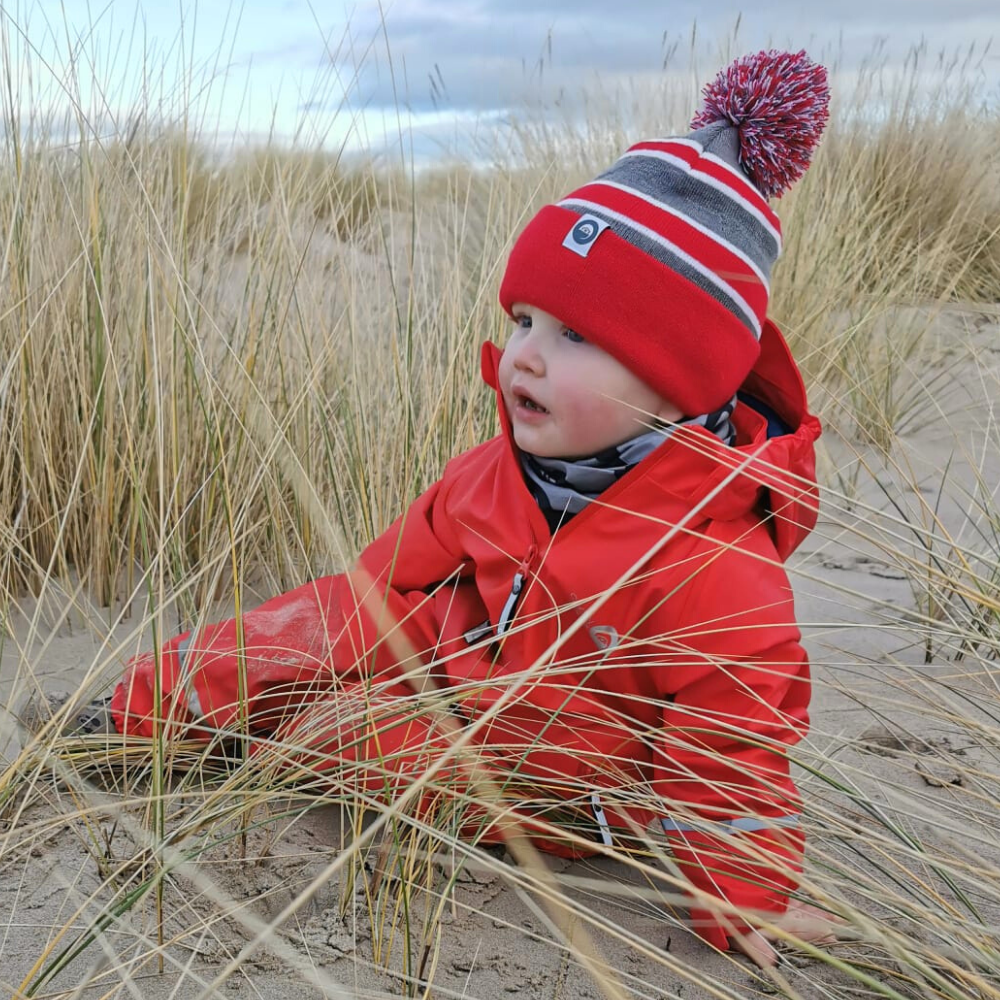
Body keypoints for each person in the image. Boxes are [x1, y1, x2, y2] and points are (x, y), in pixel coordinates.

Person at [23, 50, 843, 966]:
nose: (525, 355)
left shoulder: (715, 564)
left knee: (341, 736)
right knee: (314, 632)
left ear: (678, 381)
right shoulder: (495, 474)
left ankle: (266, 744)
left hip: (567, 770)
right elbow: (375, 590)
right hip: (470, 665)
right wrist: (321, 656)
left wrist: (740, 901)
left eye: (575, 335)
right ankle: (130, 715)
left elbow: (731, 747)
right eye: (524, 320)